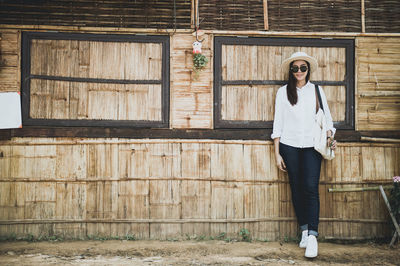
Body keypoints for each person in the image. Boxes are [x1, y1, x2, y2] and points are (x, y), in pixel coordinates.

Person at [271, 51, 337, 258]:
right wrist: (277, 153)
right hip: (289, 146)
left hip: (311, 146)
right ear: (291, 71)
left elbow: (327, 119)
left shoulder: (316, 90)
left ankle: (313, 237)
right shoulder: (283, 92)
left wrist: (329, 137)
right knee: (297, 189)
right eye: (295, 68)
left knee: (310, 188)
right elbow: (277, 123)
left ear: (308, 70)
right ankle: (304, 229)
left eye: (303, 68)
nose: (299, 71)